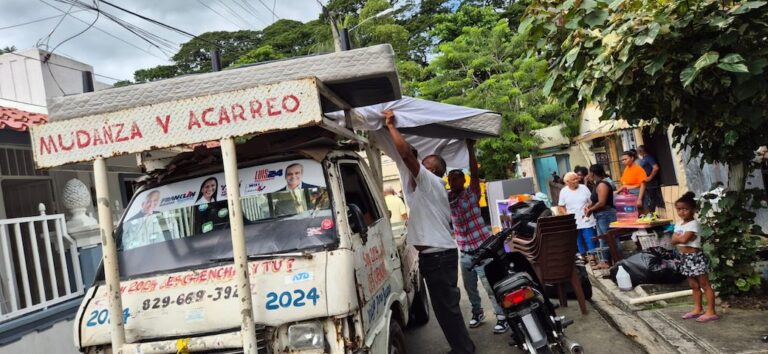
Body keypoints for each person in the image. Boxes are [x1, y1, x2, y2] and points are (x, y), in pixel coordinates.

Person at [383, 109, 475, 354]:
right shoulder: (426, 191)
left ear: (433, 171)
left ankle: (464, 350)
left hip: (438, 258)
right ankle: (462, 348)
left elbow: (404, 154)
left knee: (448, 311)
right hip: (437, 257)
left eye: (423, 165)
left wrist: (391, 126)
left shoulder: (431, 182)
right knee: (446, 311)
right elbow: (407, 157)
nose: (417, 168)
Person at [448, 140, 507, 334]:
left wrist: (470, 148)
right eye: (450, 179)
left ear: (463, 181)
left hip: (483, 248)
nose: (452, 182)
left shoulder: (472, 193)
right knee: (470, 287)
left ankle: (501, 315)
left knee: (490, 285)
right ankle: (477, 312)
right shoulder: (448, 199)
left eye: (456, 178)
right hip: (465, 252)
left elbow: (474, 172)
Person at [672, 192, 718, 323]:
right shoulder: (679, 224)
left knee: (705, 284)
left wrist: (680, 238)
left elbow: (684, 239)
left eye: (685, 209)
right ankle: (698, 308)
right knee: (693, 285)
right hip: (684, 257)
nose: (682, 212)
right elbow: (673, 240)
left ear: (693, 210)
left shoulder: (694, 224)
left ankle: (711, 311)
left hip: (695, 257)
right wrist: (680, 238)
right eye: (679, 209)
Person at [584, 164, 618, 267]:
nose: (588, 175)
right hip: (600, 215)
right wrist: (589, 206)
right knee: (603, 239)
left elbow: (602, 202)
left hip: (606, 214)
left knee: (611, 238)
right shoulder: (597, 184)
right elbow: (596, 200)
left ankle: (618, 260)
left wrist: (590, 210)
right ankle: (605, 261)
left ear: (592, 173)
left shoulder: (603, 184)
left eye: (589, 173)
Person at [558, 172, 597, 256]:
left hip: (586, 218)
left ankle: (593, 257)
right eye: (574, 179)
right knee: (578, 240)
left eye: (577, 178)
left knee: (590, 238)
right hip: (573, 220)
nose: (577, 180)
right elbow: (561, 206)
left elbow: (591, 202)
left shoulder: (584, 188)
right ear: (567, 182)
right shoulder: (563, 191)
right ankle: (583, 256)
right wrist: (567, 216)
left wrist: (588, 208)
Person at [637, 145, 664, 213]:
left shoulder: (648, 157)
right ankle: (651, 213)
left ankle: (651, 213)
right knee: (649, 198)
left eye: (639, 151)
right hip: (645, 182)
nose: (638, 152)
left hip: (651, 182)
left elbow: (656, 168)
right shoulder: (644, 158)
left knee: (653, 198)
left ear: (641, 151)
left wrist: (650, 177)